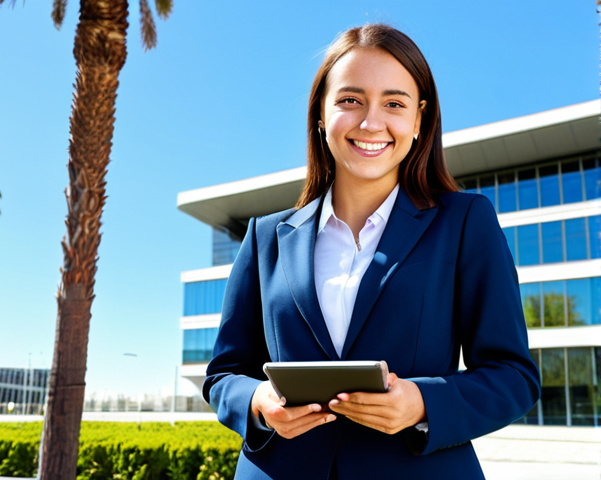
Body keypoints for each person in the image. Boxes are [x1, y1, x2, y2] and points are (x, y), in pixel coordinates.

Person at [202, 24, 540, 480]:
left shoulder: (465, 222)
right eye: (350, 100)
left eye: (395, 104)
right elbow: (224, 373)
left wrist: (422, 402)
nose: (370, 122)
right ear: (321, 114)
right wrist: (258, 403)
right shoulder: (266, 236)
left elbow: (513, 375)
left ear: (419, 120)